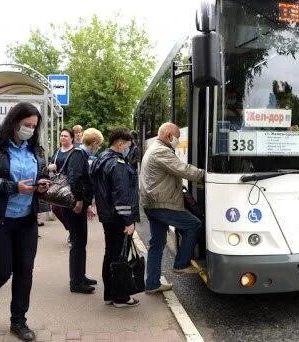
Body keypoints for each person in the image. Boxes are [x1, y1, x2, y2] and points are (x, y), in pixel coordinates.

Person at [0, 102, 50, 342]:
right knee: (2, 270)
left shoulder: (36, 149)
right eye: (27, 125)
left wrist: (43, 183)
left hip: (26, 220)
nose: (30, 130)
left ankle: (19, 321)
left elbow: (43, 172)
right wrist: (12, 187)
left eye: (34, 127)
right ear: (14, 122)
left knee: (25, 270)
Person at [140, 122, 205, 294]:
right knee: (193, 224)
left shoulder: (154, 148)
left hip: (152, 203)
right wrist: (205, 174)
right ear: (169, 135)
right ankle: (181, 264)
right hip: (162, 203)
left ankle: (152, 283)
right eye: (177, 136)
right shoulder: (161, 151)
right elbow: (182, 169)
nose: (178, 140)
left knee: (157, 243)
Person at [90, 128, 139, 308]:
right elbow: (121, 195)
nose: (129, 148)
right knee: (119, 256)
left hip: (107, 215)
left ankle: (109, 294)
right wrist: (129, 221)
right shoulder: (117, 164)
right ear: (120, 143)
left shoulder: (102, 159)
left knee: (110, 253)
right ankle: (121, 297)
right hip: (118, 217)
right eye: (128, 145)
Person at [62, 128, 102, 294]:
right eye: (98, 145)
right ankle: (76, 282)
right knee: (78, 243)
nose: (98, 148)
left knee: (81, 242)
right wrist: (79, 200)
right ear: (93, 143)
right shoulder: (79, 155)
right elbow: (74, 178)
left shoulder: (81, 154)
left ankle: (80, 275)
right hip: (74, 205)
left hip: (78, 205)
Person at [47, 128, 75, 245]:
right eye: (61, 136)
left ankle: (73, 233)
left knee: (69, 209)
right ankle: (70, 229)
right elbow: (50, 164)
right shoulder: (58, 151)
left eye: (66, 136)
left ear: (71, 138)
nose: (63, 138)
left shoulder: (75, 151)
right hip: (58, 182)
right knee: (56, 208)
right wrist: (50, 167)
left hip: (70, 183)